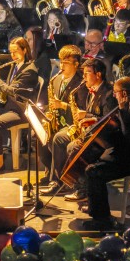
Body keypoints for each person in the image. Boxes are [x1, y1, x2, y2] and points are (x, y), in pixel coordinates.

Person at [82, 76, 130, 229]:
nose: (114, 95)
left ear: (124, 93)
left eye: (116, 92)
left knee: (93, 171)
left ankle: (101, 219)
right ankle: (96, 206)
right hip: (129, 155)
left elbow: (128, 136)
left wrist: (120, 111)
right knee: (93, 162)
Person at [60, 59, 118, 203]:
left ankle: (83, 189)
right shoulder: (90, 90)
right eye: (83, 73)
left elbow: (108, 120)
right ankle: (74, 183)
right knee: (65, 142)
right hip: (92, 135)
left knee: (73, 147)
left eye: (87, 73)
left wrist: (87, 116)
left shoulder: (109, 93)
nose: (84, 77)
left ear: (98, 74)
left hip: (104, 140)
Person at [0, 37, 40, 170]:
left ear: (25, 50)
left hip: (22, 110)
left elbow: (12, 91)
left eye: (16, 51)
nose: (13, 55)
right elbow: (7, 89)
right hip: (11, 107)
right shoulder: (15, 65)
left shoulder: (29, 70)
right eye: (11, 52)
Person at [41, 44, 84, 186]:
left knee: (57, 139)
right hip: (59, 121)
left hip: (73, 124)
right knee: (39, 134)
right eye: (60, 62)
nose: (61, 66)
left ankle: (58, 181)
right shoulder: (57, 79)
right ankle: (50, 170)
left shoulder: (81, 82)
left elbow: (82, 109)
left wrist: (63, 105)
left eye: (65, 63)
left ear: (76, 64)